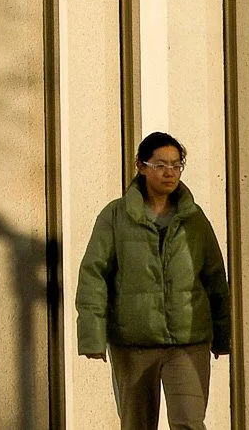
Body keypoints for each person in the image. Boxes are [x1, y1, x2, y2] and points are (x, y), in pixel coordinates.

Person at [75, 131, 231, 430]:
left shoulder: (194, 219)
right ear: (141, 166)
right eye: (160, 165)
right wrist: (92, 336)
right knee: (136, 424)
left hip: (188, 340)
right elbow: (94, 275)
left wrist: (223, 336)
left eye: (176, 165)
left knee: (189, 422)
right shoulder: (115, 216)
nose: (169, 172)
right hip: (133, 342)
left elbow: (214, 279)